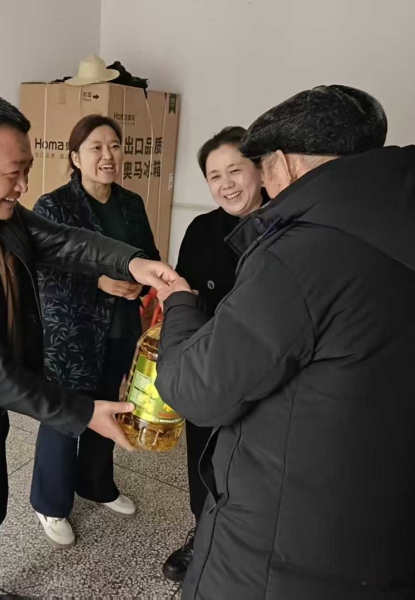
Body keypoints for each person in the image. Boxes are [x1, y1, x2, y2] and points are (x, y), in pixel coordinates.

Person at [155, 85, 415, 600]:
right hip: (396, 540)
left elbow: (197, 389)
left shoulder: (302, 253)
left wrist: (179, 304)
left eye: (256, 167)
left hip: (281, 556)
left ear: (283, 164)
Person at [0, 94, 177, 599]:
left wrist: (133, 263)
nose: (22, 186)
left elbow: (64, 240)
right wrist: (83, 411)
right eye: (12, 173)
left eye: (27, 171)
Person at [29, 115, 160, 547]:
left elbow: (147, 255)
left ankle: (97, 484)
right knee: (65, 416)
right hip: (73, 333)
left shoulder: (131, 203)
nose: (108, 156)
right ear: (75, 157)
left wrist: (141, 284)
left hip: (121, 328)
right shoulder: (54, 206)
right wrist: (98, 282)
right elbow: (42, 273)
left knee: (110, 409)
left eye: (115, 146)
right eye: (96, 148)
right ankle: (50, 502)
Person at [161, 125, 266, 582]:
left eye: (235, 170)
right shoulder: (203, 229)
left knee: (257, 465)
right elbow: (186, 297)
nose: (226, 184)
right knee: (203, 454)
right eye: (214, 176)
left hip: (267, 369)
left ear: (261, 169)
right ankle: (202, 533)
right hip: (211, 365)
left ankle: (247, 550)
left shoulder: (287, 228)